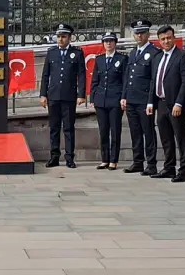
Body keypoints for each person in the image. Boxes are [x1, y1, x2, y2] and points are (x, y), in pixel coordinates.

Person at [146, 25, 185, 182]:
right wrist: (150, 102)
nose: (166, 41)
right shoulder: (157, 57)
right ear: (158, 41)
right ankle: (169, 167)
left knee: (181, 137)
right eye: (163, 39)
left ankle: (183, 170)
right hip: (161, 103)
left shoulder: (182, 56)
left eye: (169, 38)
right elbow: (154, 80)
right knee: (165, 137)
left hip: (175, 104)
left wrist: (180, 103)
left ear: (174, 38)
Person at [39, 24, 86, 169]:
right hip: (53, 95)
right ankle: (54, 156)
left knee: (68, 128)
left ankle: (70, 157)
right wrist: (43, 94)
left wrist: (81, 94)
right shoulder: (51, 53)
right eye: (58, 36)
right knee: (54, 127)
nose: (60, 39)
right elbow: (45, 75)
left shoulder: (77, 53)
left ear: (69, 38)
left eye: (63, 37)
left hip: (69, 96)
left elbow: (82, 75)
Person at [122, 20, 160, 175]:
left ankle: (151, 164)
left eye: (142, 33)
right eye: (136, 33)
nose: (139, 36)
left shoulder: (153, 53)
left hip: (144, 100)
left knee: (148, 132)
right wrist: (124, 96)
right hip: (131, 99)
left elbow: (153, 80)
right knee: (135, 132)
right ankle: (138, 161)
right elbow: (127, 77)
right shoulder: (133, 53)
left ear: (148, 34)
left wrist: (151, 101)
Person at [89, 32, 125, 170]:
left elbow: (124, 80)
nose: (108, 43)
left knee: (115, 130)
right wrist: (93, 97)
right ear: (103, 44)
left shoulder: (121, 59)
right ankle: (105, 159)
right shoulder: (99, 60)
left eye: (111, 41)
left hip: (115, 99)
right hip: (101, 100)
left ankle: (113, 160)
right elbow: (95, 81)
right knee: (103, 130)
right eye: (106, 41)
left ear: (115, 43)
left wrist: (123, 97)